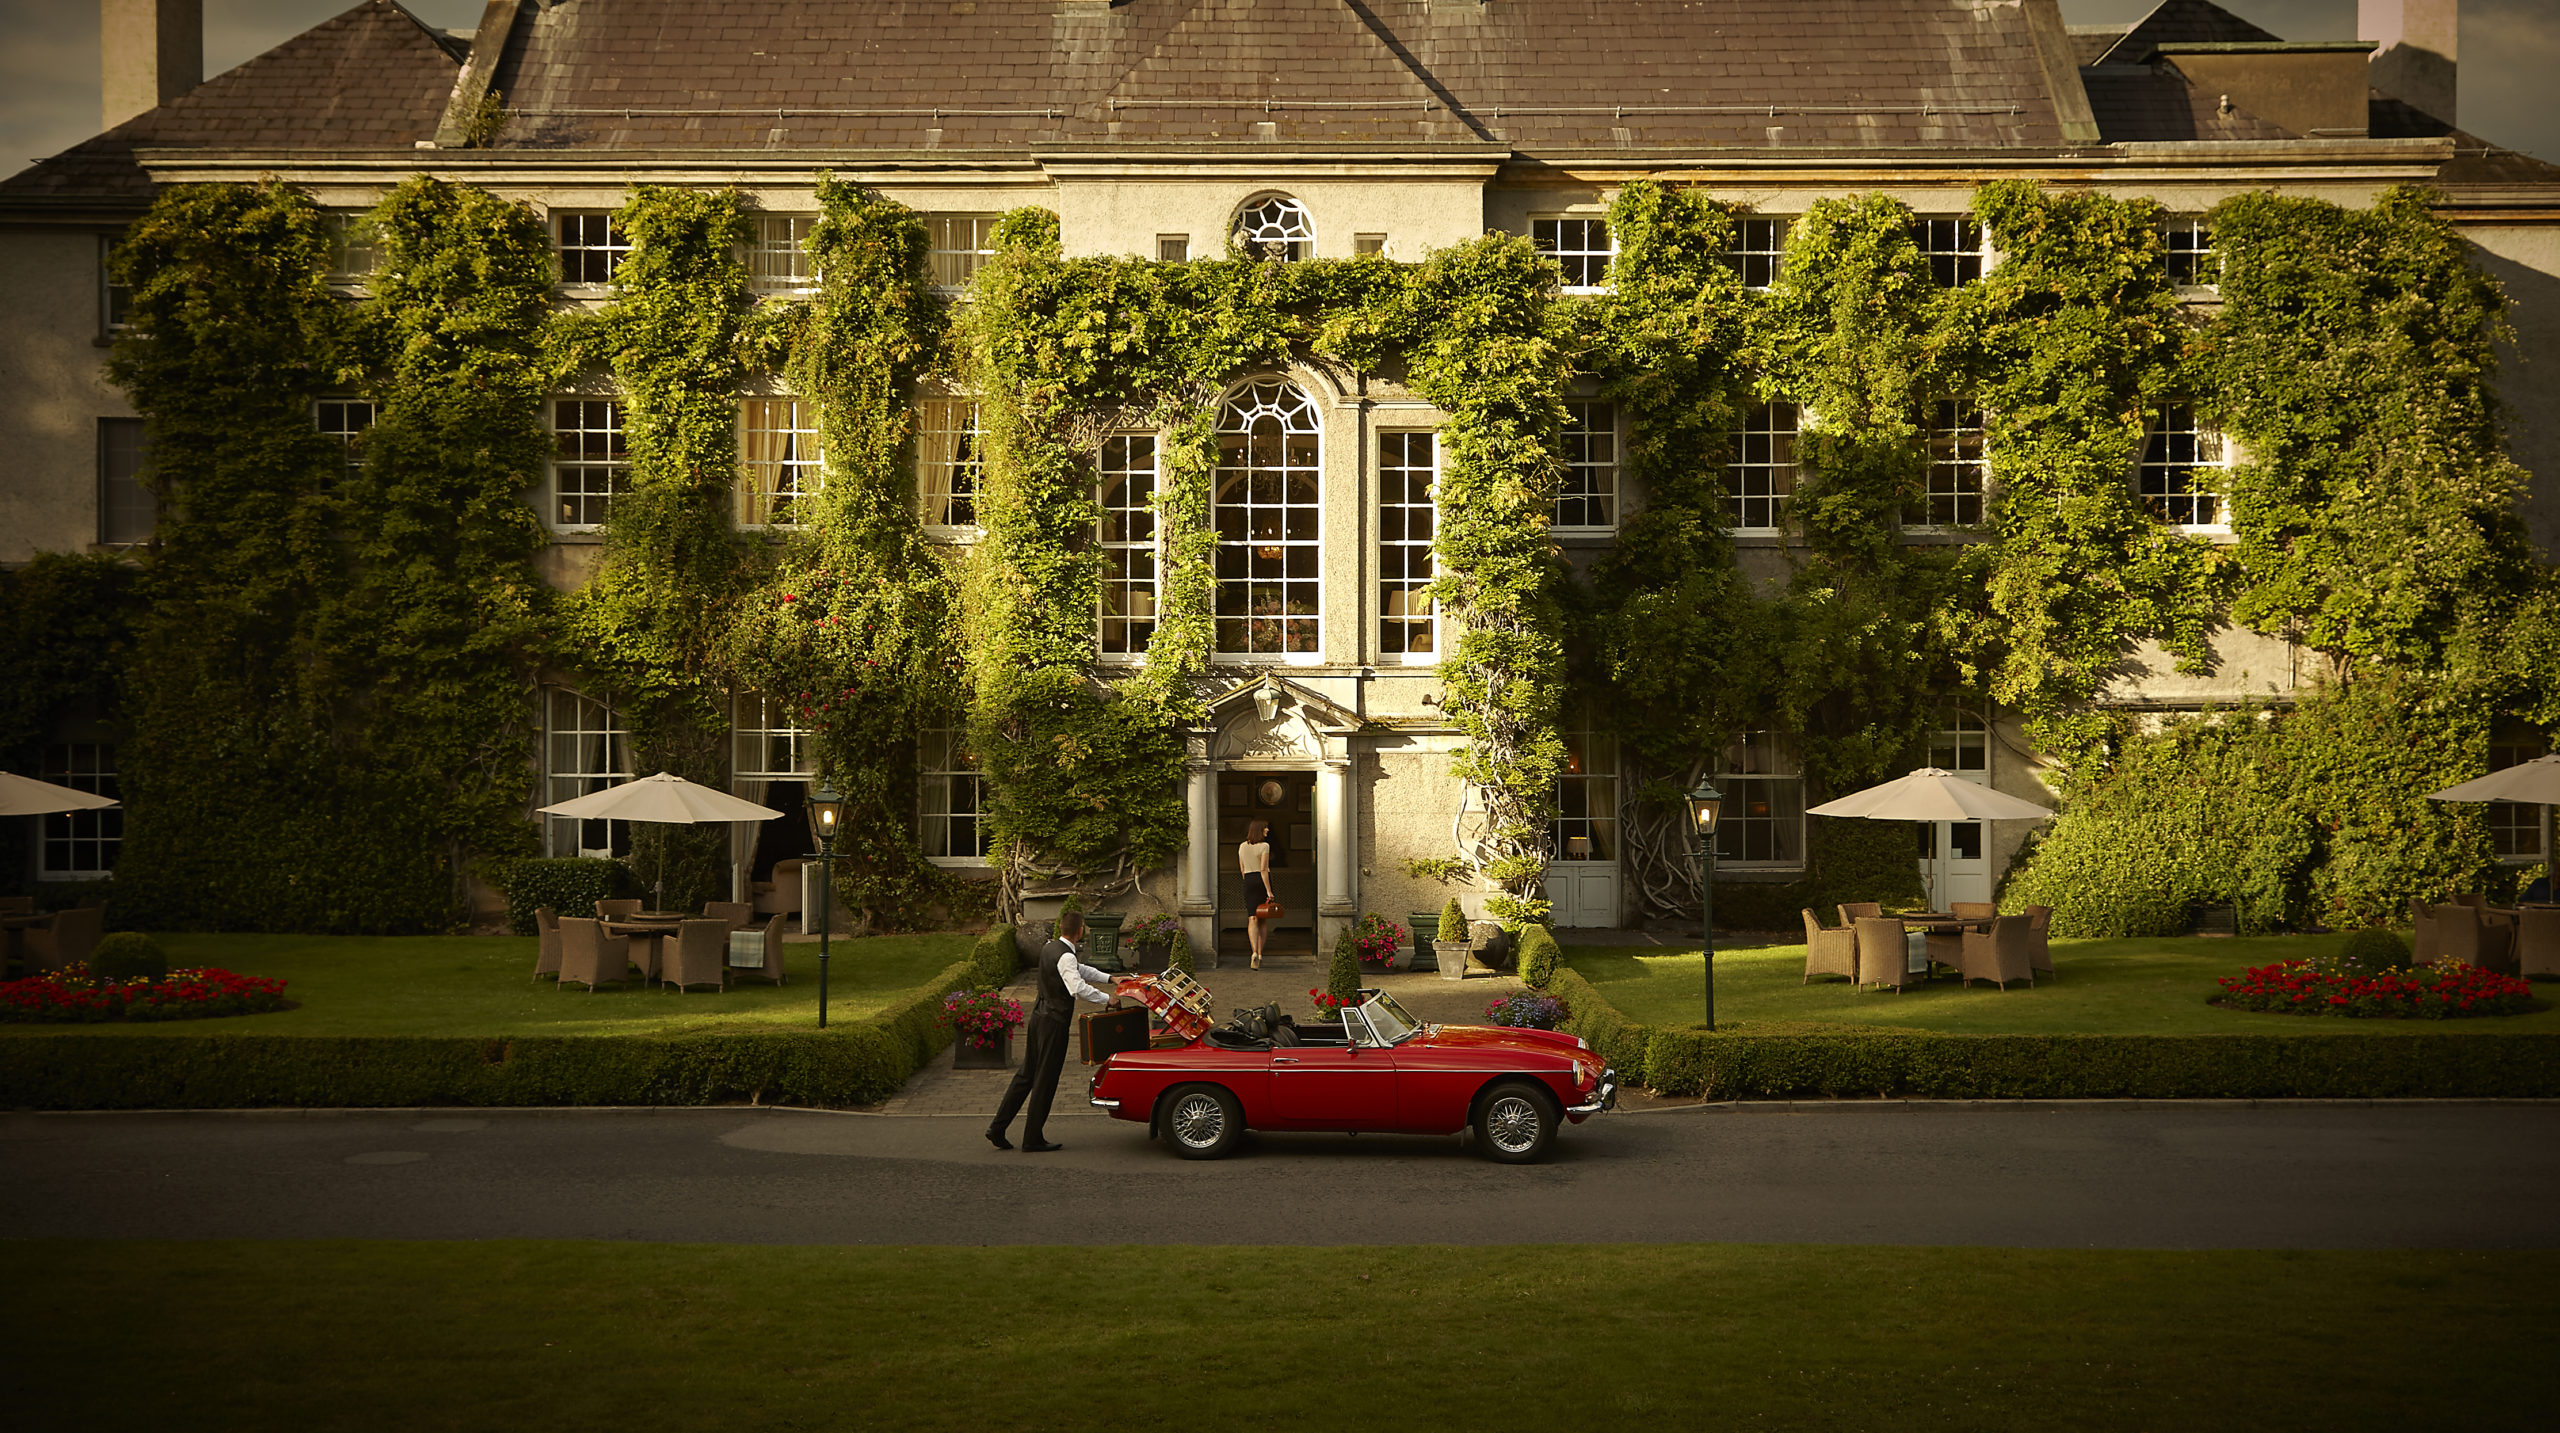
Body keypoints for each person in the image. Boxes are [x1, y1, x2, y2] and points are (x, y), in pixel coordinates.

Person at [986, 909, 1121, 1153]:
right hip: (1054, 1023)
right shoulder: (1066, 957)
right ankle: (1032, 1138)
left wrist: (1110, 978)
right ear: (1080, 931)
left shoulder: (1051, 948)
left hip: (1038, 1017)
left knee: (1026, 1075)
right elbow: (1077, 988)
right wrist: (1106, 999)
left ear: (1061, 928)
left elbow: (1081, 969)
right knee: (1045, 1080)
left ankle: (997, 1127)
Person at [1239, 818, 1273, 969]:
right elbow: (1263, 869)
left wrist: (1248, 882)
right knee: (1263, 919)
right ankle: (1259, 954)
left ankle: (1253, 952)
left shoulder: (1242, 846)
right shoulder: (1265, 846)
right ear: (1259, 829)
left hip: (1248, 880)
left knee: (1252, 917)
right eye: (1265, 828)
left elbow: (1242, 869)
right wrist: (1269, 891)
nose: (1267, 830)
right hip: (1261, 881)